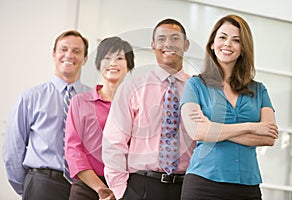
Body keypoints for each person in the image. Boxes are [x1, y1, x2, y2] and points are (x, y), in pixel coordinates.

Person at [180, 14, 279, 200]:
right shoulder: (195, 85)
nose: (227, 44)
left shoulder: (259, 90)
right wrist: (251, 126)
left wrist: (214, 129)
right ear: (212, 43)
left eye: (236, 40)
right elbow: (197, 132)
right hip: (203, 183)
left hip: (247, 186)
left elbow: (268, 137)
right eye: (222, 37)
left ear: (243, 49)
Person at [102, 18, 195, 200]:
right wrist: (121, 190)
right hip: (142, 187)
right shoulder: (132, 88)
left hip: (186, 188)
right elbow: (114, 142)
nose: (168, 43)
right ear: (153, 45)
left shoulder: (198, 89)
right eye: (161, 39)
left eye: (175, 38)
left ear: (186, 45)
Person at [2, 30, 91, 200]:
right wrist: (29, 187)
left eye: (76, 51)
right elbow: (13, 150)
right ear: (54, 54)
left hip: (83, 188)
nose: (69, 55)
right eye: (63, 49)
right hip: (42, 184)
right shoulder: (30, 97)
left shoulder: (93, 100)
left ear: (85, 58)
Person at [65, 36, 135, 200]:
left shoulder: (136, 105)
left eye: (120, 58)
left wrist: (116, 190)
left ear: (129, 65)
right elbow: (73, 149)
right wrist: (101, 189)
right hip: (87, 188)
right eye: (107, 57)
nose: (113, 63)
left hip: (125, 188)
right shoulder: (80, 102)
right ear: (98, 63)